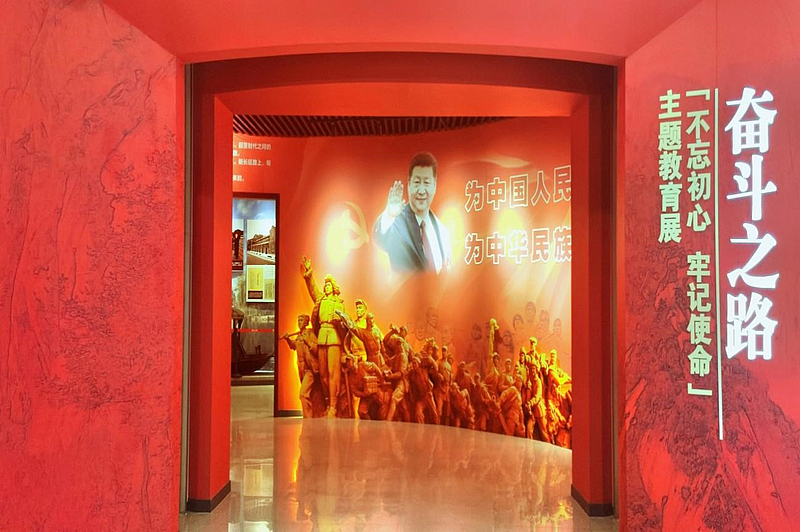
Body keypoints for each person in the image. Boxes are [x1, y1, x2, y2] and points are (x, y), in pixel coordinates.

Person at [373, 152, 451, 274]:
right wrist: (389, 215)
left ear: (434, 185)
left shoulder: (442, 231)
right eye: (417, 183)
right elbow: (380, 236)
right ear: (409, 184)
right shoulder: (397, 221)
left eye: (426, 183)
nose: (421, 191)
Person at [300, 255, 345, 418]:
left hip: (334, 339)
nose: (326, 287)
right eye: (325, 285)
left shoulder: (339, 304)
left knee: (333, 374)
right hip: (322, 338)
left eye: (328, 285)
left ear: (333, 287)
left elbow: (344, 326)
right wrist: (309, 274)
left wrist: (339, 322)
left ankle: (333, 406)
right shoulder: (321, 300)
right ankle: (327, 403)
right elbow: (313, 289)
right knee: (324, 375)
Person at [281, 314, 320, 418]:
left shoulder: (310, 334)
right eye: (298, 320)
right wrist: (288, 339)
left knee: (303, 394)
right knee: (309, 394)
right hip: (301, 368)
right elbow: (294, 346)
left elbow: (317, 349)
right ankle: (310, 416)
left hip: (309, 369)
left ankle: (308, 418)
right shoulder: (299, 336)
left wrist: (308, 341)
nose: (299, 322)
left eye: (301, 320)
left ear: (306, 322)